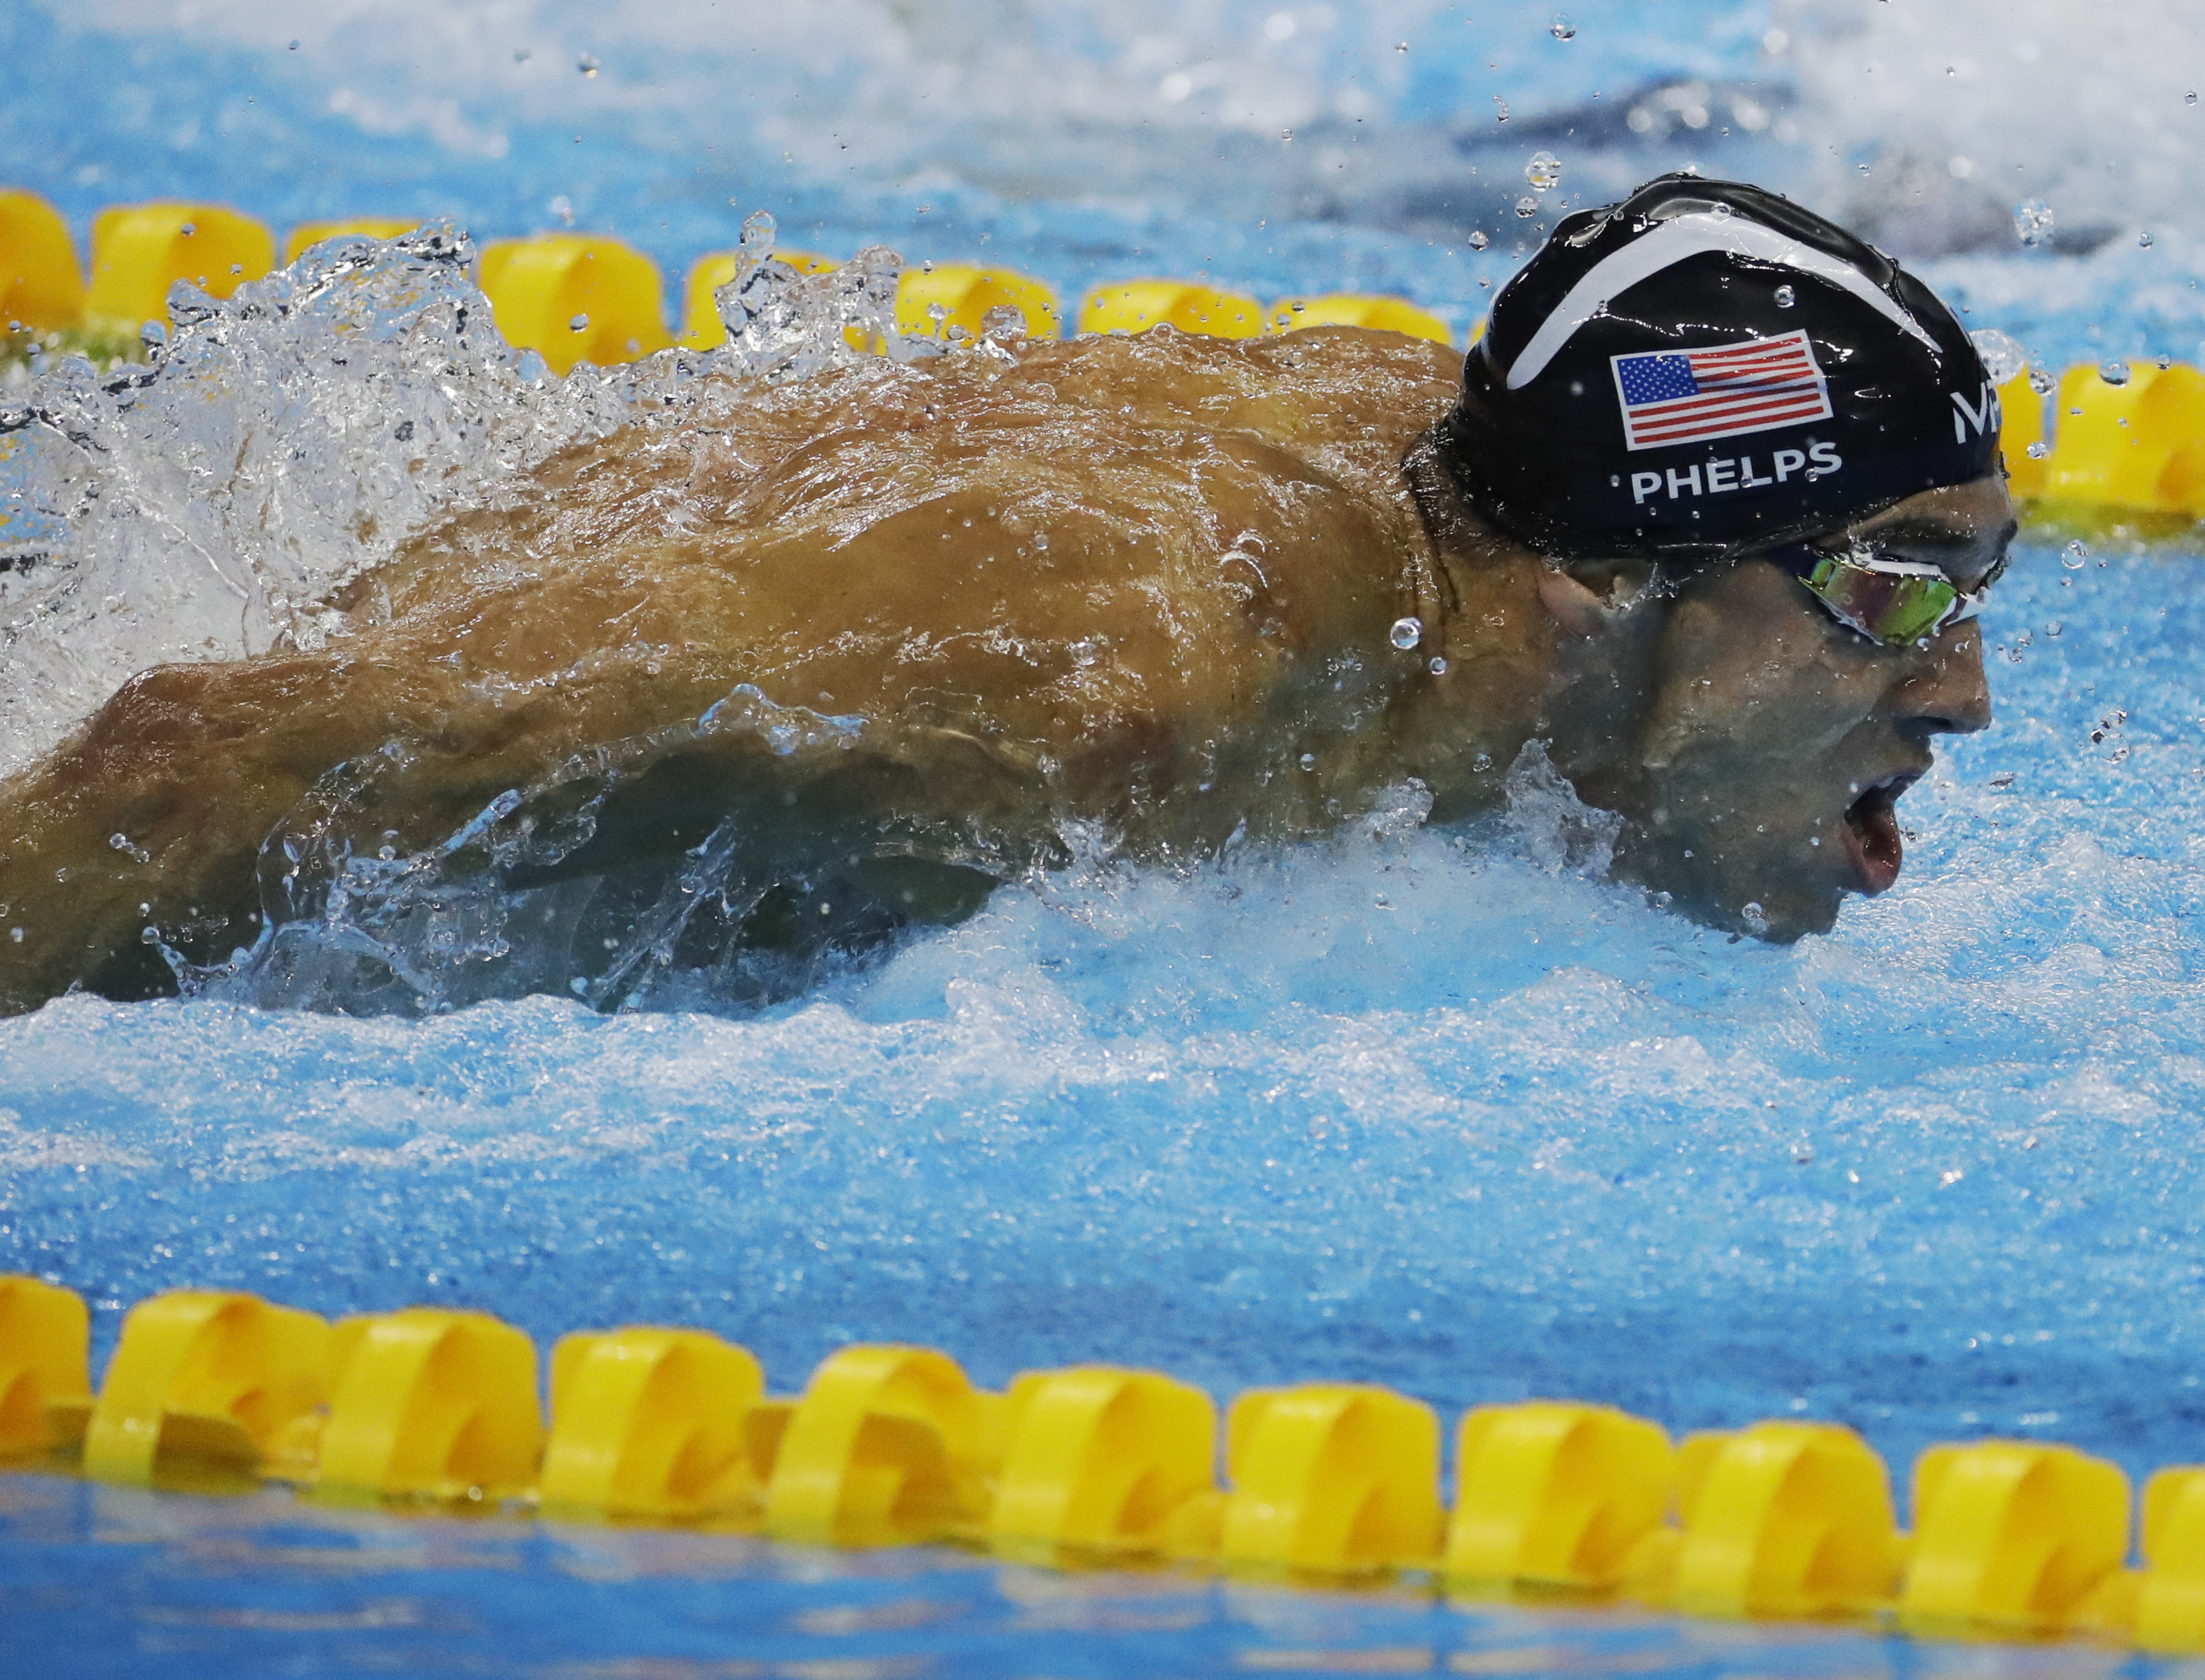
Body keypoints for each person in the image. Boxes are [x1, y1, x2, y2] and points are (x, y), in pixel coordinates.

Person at [0, 175, 2010, 1014]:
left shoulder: (1487, 519)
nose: (1960, 697)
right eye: (1897, 590)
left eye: (1976, 587)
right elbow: (214, 753)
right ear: (1614, 580)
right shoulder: (1105, 687)